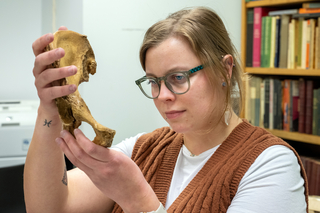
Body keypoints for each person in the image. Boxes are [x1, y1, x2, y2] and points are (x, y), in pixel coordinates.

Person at [24, 6, 308, 213]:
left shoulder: (270, 165)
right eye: (153, 82)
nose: (162, 96)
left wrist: (137, 200)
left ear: (225, 69)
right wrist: (49, 107)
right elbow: (50, 206)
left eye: (178, 78)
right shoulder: (144, 150)